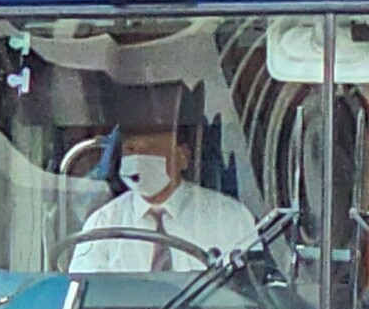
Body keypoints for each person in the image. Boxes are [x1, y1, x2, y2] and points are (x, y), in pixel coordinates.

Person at [68, 89, 255, 274]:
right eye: (131, 149)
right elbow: (83, 292)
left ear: (182, 157)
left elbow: (252, 289)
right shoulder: (104, 223)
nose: (139, 158)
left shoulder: (230, 218)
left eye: (152, 148)